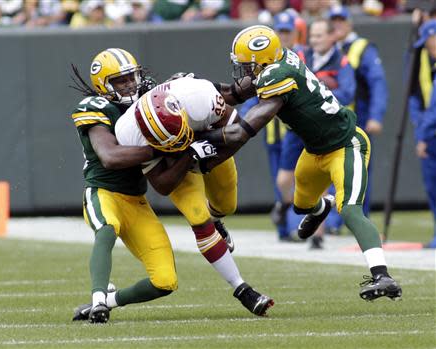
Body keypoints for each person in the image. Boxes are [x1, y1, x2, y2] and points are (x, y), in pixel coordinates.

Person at [199, 25, 402, 301]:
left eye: (247, 65)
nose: (244, 71)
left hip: (345, 145)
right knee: (301, 205)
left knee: (351, 210)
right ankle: (323, 205)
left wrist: (200, 136)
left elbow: (244, 130)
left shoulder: (277, 74)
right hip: (314, 150)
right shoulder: (277, 63)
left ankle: (382, 276)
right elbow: (236, 92)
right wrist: (197, 87)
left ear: (262, 61)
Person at [115, 76, 275, 316]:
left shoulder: (199, 98)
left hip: (208, 144)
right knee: (198, 217)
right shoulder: (128, 132)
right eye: (169, 142)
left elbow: (238, 133)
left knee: (227, 205)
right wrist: (188, 155)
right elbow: (162, 185)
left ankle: (216, 217)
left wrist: (206, 158)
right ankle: (242, 289)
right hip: (177, 164)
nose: (177, 143)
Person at [69, 48, 178, 323]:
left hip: (137, 201)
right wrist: (163, 149)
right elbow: (110, 157)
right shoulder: (95, 108)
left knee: (165, 281)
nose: (129, 83)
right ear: (104, 86)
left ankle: (108, 300)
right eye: (120, 80)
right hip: (103, 191)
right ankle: (97, 301)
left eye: (131, 76)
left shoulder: (147, 102)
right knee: (106, 230)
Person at [276, 18, 356, 248]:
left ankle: (318, 235)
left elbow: (348, 92)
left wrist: (317, 96)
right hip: (296, 129)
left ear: (332, 36)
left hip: (323, 127)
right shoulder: (301, 57)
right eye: (312, 36)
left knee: (319, 181)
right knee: (284, 180)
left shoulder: (340, 61)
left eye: (320, 35)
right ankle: (283, 205)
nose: (315, 40)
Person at [239, 11, 304, 242]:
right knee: (280, 179)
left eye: (288, 32)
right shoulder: (261, 61)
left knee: (298, 177)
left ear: (296, 34)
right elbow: (251, 95)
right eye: (281, 32)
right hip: (271, 131)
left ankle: (299, 225)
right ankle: (283, 229)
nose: (284, 36)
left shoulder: (301, 57)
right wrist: (241, 119)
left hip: (295, 131)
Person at [327, 5, 388, 234]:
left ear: (350, 22)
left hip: (357, 120)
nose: (337, 25)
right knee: (332, 170)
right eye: (333, 21)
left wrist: (376, 115)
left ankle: (358, 219)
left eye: (341, 20)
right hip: (331, 122)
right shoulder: (327, 49)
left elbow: (377, 83)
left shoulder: (362, 48)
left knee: (359, 172)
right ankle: (334, 220)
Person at [409, 19, 436, 248]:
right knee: (432, 186)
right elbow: (417, 100)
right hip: (430, 133)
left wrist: (423, 136)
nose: (428, 47)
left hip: (431, 134)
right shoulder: (426, 65)